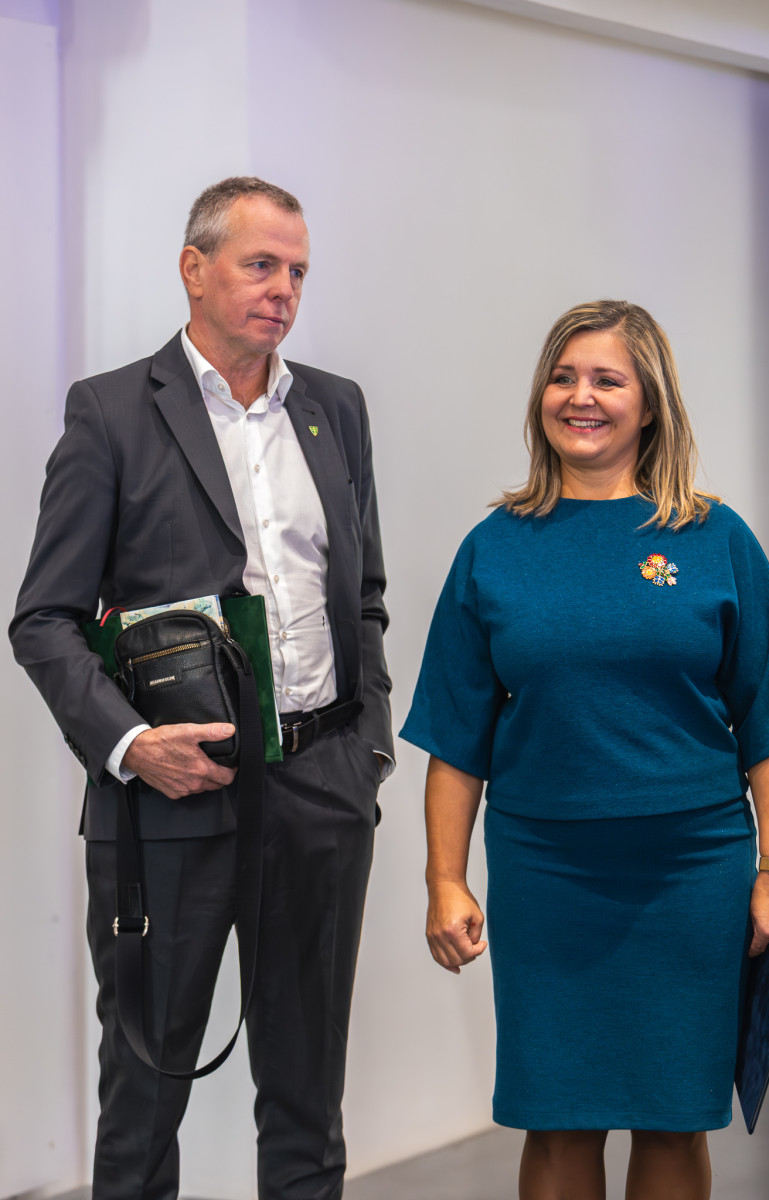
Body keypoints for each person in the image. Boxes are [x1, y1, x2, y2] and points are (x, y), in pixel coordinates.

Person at [9, 176, 393, 1200]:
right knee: (144, 1099)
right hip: (170, 802)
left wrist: (367, 751)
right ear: (194, 268)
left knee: (308, 1107)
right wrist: (133, 748)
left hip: (321, 791)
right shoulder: (109, 412)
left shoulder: (336, 409)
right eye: (260, 264)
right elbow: (43, 620)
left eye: (297, 271)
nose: (283, 290)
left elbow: (363, 598)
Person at [400, 299, 769, 1200]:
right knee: (556, 1116)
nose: (580, 396)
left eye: (607, 380)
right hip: (547, 874)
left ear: (649, 405)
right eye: (563, 377)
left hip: (692, 871)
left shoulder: (715, 539)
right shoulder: (493, 549)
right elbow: (456, 740)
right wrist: (444, 880)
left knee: (674, 1116)